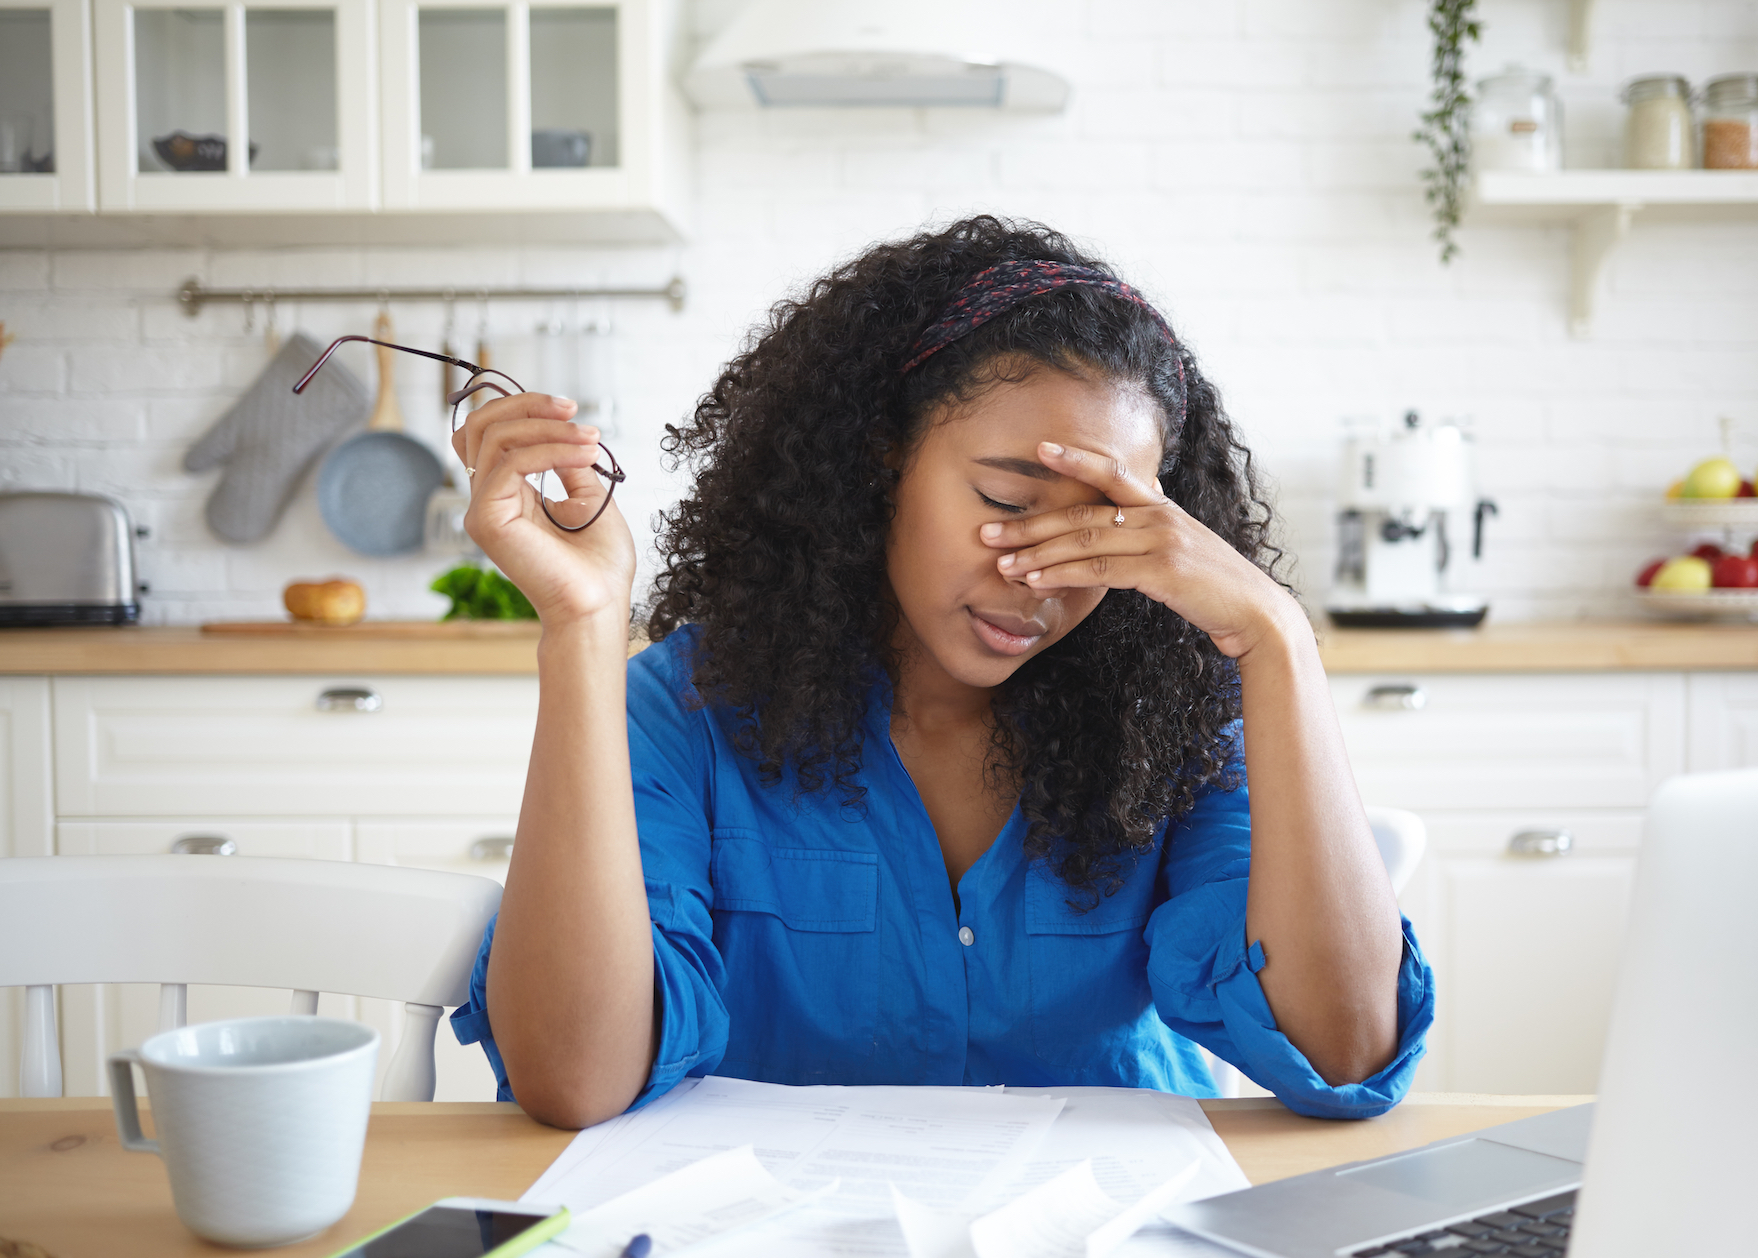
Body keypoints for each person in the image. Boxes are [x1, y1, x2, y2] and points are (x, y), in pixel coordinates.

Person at [446, 216, 1433, 1130]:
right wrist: (581, 623)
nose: (1038, 572)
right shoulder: (689, 708)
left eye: (1103, 527)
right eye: (1007, 497)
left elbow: (1341, 1050)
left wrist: (1276, 640)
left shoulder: (1175, 710)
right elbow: (575, 1081)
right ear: (886, 459)